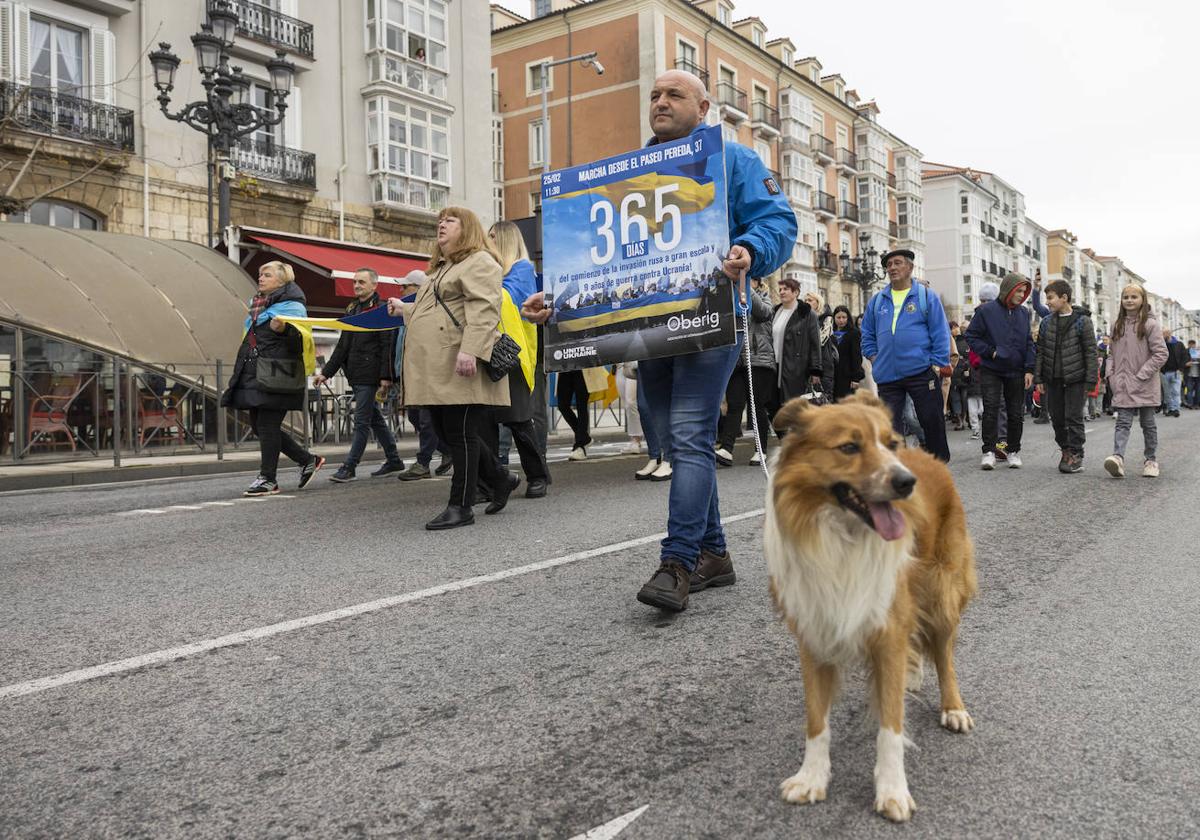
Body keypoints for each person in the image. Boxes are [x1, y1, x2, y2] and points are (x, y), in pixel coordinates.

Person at [521, 69, 796, 611]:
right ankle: (714, 553)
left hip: (709, 320)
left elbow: (778, 222)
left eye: (674, 95)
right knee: (674, 442)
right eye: (653, 95)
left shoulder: (731, 159)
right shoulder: (630, 176)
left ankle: (677, 562)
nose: (660, 102)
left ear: (704, 106)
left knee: (691, 435)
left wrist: (748, 251)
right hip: (645, 334)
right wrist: (553, 301)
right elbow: (601, 260)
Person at [388, 206, 517, 529]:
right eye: (439, 220)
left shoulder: (480, 262)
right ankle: (500, 477)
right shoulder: (441, 269)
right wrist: (404, 309)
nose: (441, 225)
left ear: (468, 228)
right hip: (440, 362)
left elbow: (485, 309)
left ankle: (461, 506)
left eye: (450, 220)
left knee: (459, 433)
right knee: (450, 431)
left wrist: (471, 350)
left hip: (459, 357)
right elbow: (434, 310)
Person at [221, 260, 324, 496]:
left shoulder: (293, 307)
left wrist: (285, 330)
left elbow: (303, 341)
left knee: (267, 425)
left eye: (267, 274)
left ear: (282, 280)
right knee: (259, 426)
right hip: (258, 374)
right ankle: (307, 459)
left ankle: (268, 479)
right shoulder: (259, 306)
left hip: (278, 376)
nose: (261, 278)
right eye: (260, 274)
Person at [313, 268, 405, 482]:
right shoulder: (352, 308)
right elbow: (343, 345)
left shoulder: (382, 309)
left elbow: (387, 345)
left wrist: (386, 377)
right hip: (355, 372)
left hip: (370, 374)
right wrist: (326, 373)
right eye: (355, 282)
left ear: (374, 286)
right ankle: (394, 460)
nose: (356, 286)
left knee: (361, 422)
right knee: (375, 419)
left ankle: (350, 466)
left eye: (361, 282)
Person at [860, 250, 952, 461]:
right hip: (888, 375)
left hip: (921, 371)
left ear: (910, 267)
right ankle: (897, 466)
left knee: (931, 419)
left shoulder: (925, 296)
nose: (892, 267)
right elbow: (867, 334)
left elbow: (940, 332)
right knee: (890, 426)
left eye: (897, 263)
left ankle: (939, 462)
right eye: (889, 264)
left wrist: (937, 365)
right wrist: (873, 356)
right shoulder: (877, 301)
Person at [487, 220, 551, 499]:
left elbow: (510, 300)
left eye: (491, 237)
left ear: (503, 240)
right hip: (490, 350)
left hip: (517, 353)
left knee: (520, 419)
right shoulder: (493, 272)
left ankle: (538, 475)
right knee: (486, 421)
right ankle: (492, 480)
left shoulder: (522, 269)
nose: (486, 242)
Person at [964, 272, 1035, 470]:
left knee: (1015, 413)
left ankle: (1013, 451)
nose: (1022, 295)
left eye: (1024, 291)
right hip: (992, 369)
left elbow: (1029, 342)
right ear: (1008, 289)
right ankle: (988, 451)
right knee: (991, 409)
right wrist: (991, 353)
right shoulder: (986, 311)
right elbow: (971, 335)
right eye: (1018, 291)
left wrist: (1029, 369)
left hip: (1017, 370)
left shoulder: (1023, 313)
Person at [390, 271, 453, 481]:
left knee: (427, 420)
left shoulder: (428, 309)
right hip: (409, 375)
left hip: (427, 373)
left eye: (405, 286)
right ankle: (447, 449)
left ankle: (423, 463)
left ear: (418, 288)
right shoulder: (406, 312)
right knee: (415, 417)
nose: (401, 291)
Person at [1033, 280, 1098, 474]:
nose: (1048, 302)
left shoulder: (1082, 321)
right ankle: (1066, 450)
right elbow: (1041, 352)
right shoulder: (1046, 322)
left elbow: (1091, 352)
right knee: (1057, 418)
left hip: (1076, 379)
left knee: (1073, 417)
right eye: (1047, 298)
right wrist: (1039, 379)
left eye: (1051, 297)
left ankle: (1077, 454)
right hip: (1052, 379)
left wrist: (1091, 379)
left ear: (1064, 298)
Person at [1103, 284, 1168, 479]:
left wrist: (1141, 374)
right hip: (1122, 384)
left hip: (1144, 383)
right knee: (1122, 422)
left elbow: (1161, 353)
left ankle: (1151, 460)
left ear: (1142, 300)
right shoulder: (1117, 325)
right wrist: (1110, 375)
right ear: (1121, 301)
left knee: (1148, 423)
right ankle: (1118, 458)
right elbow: (1111, 354)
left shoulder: (1150, 324)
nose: (1129, 300)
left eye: (1134, 297)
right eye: (1126, 297)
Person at [715, 275, 775, 466]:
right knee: (734, 404)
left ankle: (761, 449)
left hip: (758, 360)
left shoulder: (764, 298)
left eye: (749, 282)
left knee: (756, 406)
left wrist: (744, 288)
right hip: (737, 361)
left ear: (757, 283)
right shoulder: (732, 301)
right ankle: (726, 448)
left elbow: (762, 312)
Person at [771, 278, 822, 411]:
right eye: (780, 289)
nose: (782, 292)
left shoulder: (806, 314)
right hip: (773, 365)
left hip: (796, 367)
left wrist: (815, 370)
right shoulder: (775, 312)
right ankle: (783, 432)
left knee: (793, 406)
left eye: (786, 289)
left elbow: (815, 343)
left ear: (796, 292)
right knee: (774, 405)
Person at [803, 291, 837, 396]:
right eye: (805, 300)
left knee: (824, 400)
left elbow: (821, 340)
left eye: (810, 300)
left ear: (818, 302)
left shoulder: (827, 318)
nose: (807, 302)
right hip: (806, 366)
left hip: (824, 365)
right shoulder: (803, 318)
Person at [829, 304, 864, 401]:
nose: (841, 320)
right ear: (834, 318)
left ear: (848, 318)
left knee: (846, 403)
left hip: (847, 375)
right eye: (838, 317)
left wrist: (855, 378)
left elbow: (856, 357)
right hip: (833, 375)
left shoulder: (854, 333)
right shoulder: (830, 333)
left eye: (844, 317)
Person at [555, 369, 591, 459]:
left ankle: (579, 445)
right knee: (562, 405)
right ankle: (584, 437)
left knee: (581, 406)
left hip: (583, 365)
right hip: (565, 366)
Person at [1160, 328, 1189, 418]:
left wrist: (1180, 368)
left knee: (1176, 391)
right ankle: (1171, 409)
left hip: (1176, 372)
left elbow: (1185, 356)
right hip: (1164, 372)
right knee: (1167, 392)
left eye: (1165, 333)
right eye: (1163, 333)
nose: (1164, 335)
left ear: (1170, 333)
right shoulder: (1161, 344)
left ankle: (1176, 409)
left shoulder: (1179, 344)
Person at [1184, 340, 1200, 410]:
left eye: (1193, 344)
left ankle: (1196, 404)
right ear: (1188, 345)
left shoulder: (1198, 352)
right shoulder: (1185, 352)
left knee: (1198, 390)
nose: (1192, 346)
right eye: (1191, 345)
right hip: (1189, 374)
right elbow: (1182, 362)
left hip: (1198, 374)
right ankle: (1190, 404)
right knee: (1189, 389)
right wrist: (1186, 364)